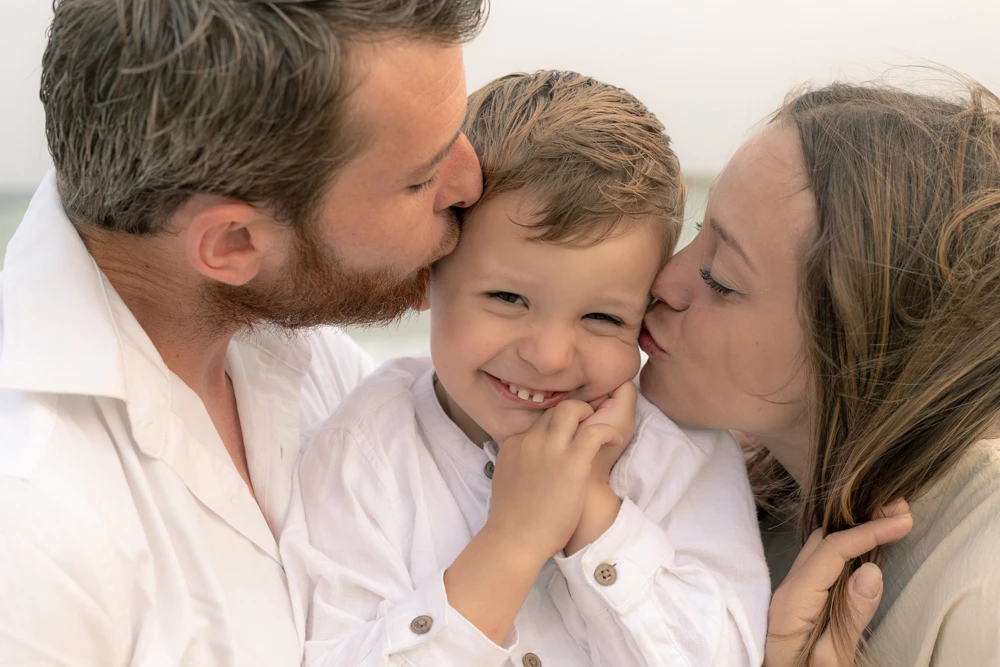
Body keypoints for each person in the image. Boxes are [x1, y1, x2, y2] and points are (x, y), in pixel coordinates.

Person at [0, 1, 486, 664]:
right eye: (421, 178)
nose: (472, 180)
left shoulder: (301, 351)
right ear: (232, 243)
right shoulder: (32, 526)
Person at [279, 70, 771, 667]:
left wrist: (593, 511)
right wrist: (514, 541)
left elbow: (726, 656)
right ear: (424, 275)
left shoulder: (680, 453)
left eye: (601, 317)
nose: (550, 356)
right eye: (509, 300)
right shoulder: (362, 454)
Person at [640, 76, 1000, 666]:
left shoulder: (984, 583)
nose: (665, 280)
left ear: (858, 343)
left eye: (721, 279)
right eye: (698, 229)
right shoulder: (732, 503)